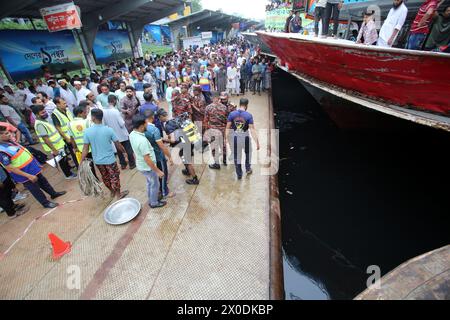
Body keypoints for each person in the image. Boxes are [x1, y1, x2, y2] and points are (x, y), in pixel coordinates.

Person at [0, 125, 66, 209]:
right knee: (35, 189)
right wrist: (28, 176)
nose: (9, 134)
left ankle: (53, 193)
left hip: (32, 169)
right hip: (25, 174)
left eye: (9, 132)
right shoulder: (2, 150)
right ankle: (45, 203)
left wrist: (36, 165)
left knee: (43, 182)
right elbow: (10, 168)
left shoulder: (10, 142)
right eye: (6, 133)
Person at [81, 109, 129, 200]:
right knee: (114, 176)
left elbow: (85, 149)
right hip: (110, 160)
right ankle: (118, 194)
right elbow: (118, 144)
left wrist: (81, 161)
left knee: (105, 177)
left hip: (98, 161)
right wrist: (124, 152)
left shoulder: (87, 132)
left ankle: (112, 191)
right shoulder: (109, 130)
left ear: (93, 118)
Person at [129, 115, 166, 208]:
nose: (147, 125)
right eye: (146, 124)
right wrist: (158, 171)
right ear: (141, 126)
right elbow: (147, 159)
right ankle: (154, 203)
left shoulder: (132, 134)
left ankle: (151, 198)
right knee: (154, 184)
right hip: (148, 167)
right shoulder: (142, 141)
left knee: (150, 183)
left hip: (141, 165)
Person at [32, 104, 77, 180]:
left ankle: (69, 171)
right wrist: (54, 150)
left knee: (64, 160)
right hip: (55, 147)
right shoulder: (40, 124)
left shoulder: (43, 121)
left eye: (45, 111)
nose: (45, 113)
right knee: (62, 161)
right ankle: (68, 175)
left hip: (58, 145)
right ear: (37, 114)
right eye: (42, 113)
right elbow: (45, 139)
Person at [226, 98, 260, 180]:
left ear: (239, 104)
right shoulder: (248, 115)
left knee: (237, 156)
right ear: (246, 105)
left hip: (235, 138)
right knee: (248, 153)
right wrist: (257, 142)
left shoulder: (232, 114)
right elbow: (252, 130)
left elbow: (227, 128)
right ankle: (248, 169)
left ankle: (239, 174)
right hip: (245, 138)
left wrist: (226, 139)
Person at [144, 110, 174, 199]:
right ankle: (165, 192)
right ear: (152, 117)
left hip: (149, 156)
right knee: (163, 173)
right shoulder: (153, 129)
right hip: (158, 155)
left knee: (155, 175)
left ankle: (158, 190)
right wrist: (169, 156)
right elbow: (161, 146)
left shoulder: (140, 129)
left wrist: (164, 139)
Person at [102, 95, 136, 170]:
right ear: (114, 101)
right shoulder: (115, 111)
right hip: (122, 134)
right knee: (128, 149)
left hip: (113, 135)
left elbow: (104, 124)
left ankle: (123, 164)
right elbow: (121, 123)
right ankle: (132, 164)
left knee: (119, 150)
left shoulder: (103, 111)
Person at [68, 105, 98, 179]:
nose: (86, 114)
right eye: (85, 113)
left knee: (88, 165)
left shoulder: (69, 124)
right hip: (91, 147)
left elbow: (72, 137)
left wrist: (75, 148)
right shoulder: (87, 122)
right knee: (97, 163)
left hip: (81, 148)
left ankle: (93, 178)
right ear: (80, 113)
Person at [204, 91, 229, 169]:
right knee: (223, 145)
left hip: (212, 130)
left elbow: (205, 120)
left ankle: (216, 163)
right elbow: (227, 120)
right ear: (218, 98)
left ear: (212, 98)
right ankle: (224, 160)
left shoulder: (208, 107)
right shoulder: (224, 107)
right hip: (222, 129)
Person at [52, 97, 78, 168]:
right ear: (58, 104)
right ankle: (78, 166)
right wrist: (66, 138)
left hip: (75, 134)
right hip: (68, 137)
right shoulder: (55, 114)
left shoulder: (67, 110)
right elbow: (58, 128)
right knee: (73, 152)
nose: (65, 104)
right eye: (63, 103)